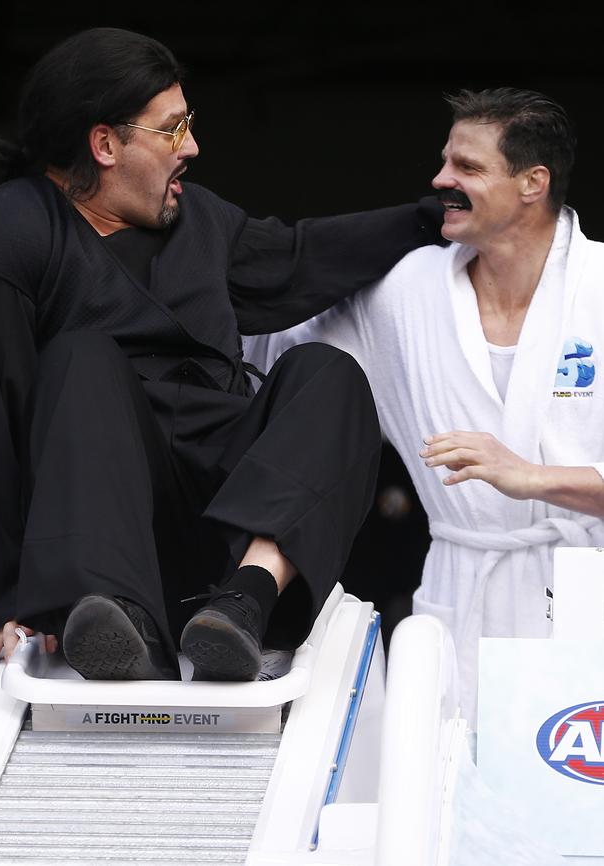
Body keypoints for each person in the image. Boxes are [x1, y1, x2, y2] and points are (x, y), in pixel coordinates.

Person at [0, 27, 443, 686]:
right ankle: (120, 623)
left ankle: (246, 602)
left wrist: (432, 219)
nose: (193, 147)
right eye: (172, 129)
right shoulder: (3, 235)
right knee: (81, 356)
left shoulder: (201, 219)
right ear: (104, 144)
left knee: (330, 374)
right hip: (104, 535)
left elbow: (302, 259)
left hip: (231, 521)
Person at [244, 87, 604, 725]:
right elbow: (283, 363)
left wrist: (534, 478)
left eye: (467, 167)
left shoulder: (598, 291)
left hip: (584, 591)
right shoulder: (406, 291)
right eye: (444, 162)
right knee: (441, 796)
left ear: (532, 183)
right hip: (455, 590)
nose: (441, 180)